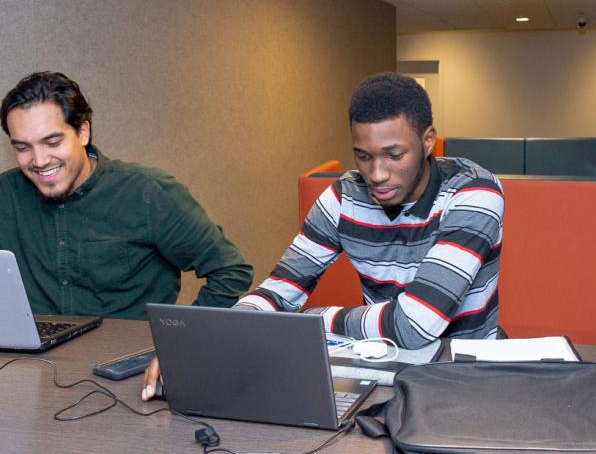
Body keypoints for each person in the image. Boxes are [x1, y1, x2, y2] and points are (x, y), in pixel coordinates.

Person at [142, 72, 503, 400]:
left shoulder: (474, 194)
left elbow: (414, 326)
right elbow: (280, 290)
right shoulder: (342, 198)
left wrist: (310, 319)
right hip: (381, 365)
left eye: (394, 155)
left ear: (428, 141)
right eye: (363, 156)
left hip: (464, 374)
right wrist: (211, 342)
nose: (376, 174)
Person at [0, 71, 253, 320]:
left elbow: (229, 270)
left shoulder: (148, 192)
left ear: (82, 132)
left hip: (130, 369)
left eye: (52, 142)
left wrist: (183, 342)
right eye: (23, 148)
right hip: (31, 367)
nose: (39, 160)